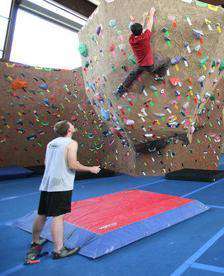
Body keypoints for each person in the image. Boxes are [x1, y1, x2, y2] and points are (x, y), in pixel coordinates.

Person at [25, 120, 101, 263]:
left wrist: (77, 165)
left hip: (47, 183)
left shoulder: (51, 143)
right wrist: (91, 169)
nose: (73, 125)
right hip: (60, 185)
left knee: (42, 213)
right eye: (71, 124)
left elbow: (49, 163)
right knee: (58, 216)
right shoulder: (71, 143)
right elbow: (72, 164)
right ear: (69, 130)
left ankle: (35, 241)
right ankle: (59, 250)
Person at [114, 7, 170, 97]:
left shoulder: (131, 39)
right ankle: (160, 75)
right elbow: (149, 24)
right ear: (141, 32)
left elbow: (139, 28)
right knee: (167, 60)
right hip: (149, 66)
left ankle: (121, 89)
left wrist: (138, 20)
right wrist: (151, 13)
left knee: (133, 74)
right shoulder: (145, 37)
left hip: (140, 63)